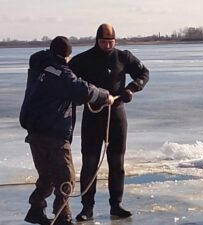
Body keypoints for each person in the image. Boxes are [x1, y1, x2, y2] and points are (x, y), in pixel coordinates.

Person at [20, 36, 114, 225]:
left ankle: (36, 209)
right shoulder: (61, 73)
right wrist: (106, 96)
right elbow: (83, 90)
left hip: (35, 130)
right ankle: (63, 216)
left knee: (47, 175)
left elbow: (62, 91)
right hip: (53, 132)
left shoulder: (40, 64)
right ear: (67, 55)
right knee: (66, 177)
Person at [69, 23, 149, 221]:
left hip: (117, 114)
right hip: (93, 115)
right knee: (89, 163)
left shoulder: (123, 57)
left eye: (110, 42)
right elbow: (68, 79)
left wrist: (131, 88)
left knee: (117, 162)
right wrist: (79, 97)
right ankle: (87, 208)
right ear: (97, 41)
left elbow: (144, 73)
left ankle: (116, 205)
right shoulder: (83, 59)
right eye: (103, 42)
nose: (107, 46)